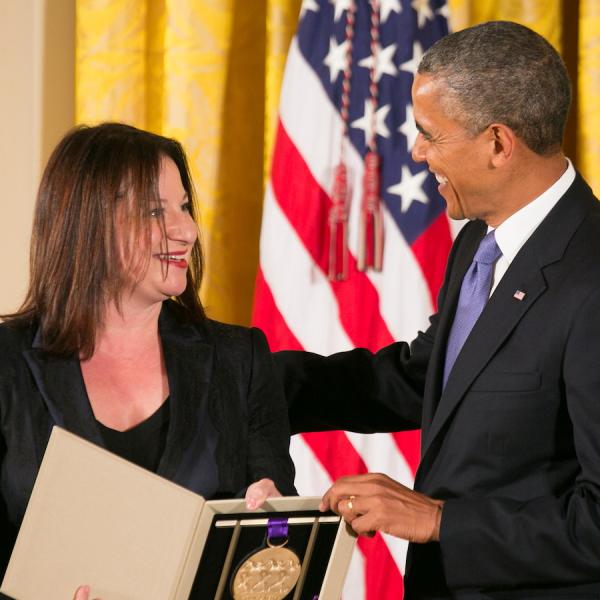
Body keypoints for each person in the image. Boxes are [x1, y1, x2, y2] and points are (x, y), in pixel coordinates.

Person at [277, 21, 600, 599]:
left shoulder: (592, 277)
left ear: (499, 143)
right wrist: (248, 378)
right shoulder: (480, 241)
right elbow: (425, 379)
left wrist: (437, 521)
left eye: (430, 134)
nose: (417, 151)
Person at [0, 123, 296, 587]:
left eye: (182, 207)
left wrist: (274, 516)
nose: (187, 230)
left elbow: (275, 553)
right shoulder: (7, 362)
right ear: (86, 222)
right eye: (155, 212)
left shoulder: (240, 359)